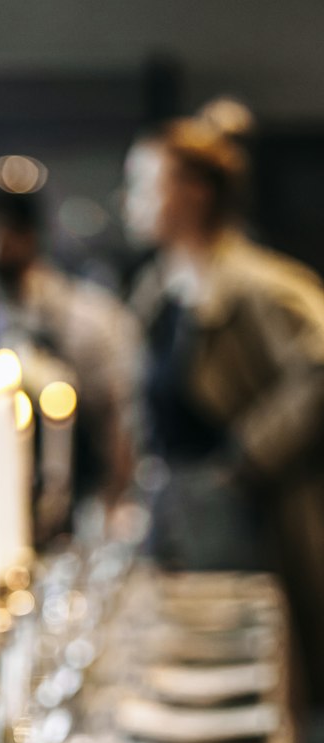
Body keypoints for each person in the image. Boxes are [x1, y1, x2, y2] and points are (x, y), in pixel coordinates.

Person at [125, 115, 324, 698]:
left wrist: (248, 458)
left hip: (248, 514)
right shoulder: (159, 288)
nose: (131, 200)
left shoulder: (261, 285)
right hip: (179, 507)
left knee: (260, 671)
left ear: (195, 191)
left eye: (145, 183)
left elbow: (319, 370)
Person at [0, 187, 139, 506]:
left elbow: (117, 415)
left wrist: (115, 499)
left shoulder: (88, 316)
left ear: (26, 235)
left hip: (75, 494)